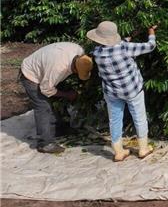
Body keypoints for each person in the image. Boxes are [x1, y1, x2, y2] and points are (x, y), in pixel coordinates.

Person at [88, 21, 158, 162]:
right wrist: (151, 33)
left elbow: (114, 47)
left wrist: (128, 38)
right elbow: (150, 46)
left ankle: (118, 152)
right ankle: (143, 149)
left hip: (112, 92)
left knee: (114, 120)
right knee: (139, 117)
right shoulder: (125, 48)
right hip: (132, 90)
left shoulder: (96, 53)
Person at [18, 42, 93, 153]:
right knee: (43, 107)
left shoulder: (80, 52)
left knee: (56, 99)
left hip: (46, 69)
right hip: (30, 75)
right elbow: (46, 89)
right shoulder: (58, 69)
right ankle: (45, 143)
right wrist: (67, 95)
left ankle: (60, 128)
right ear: (75, 69)